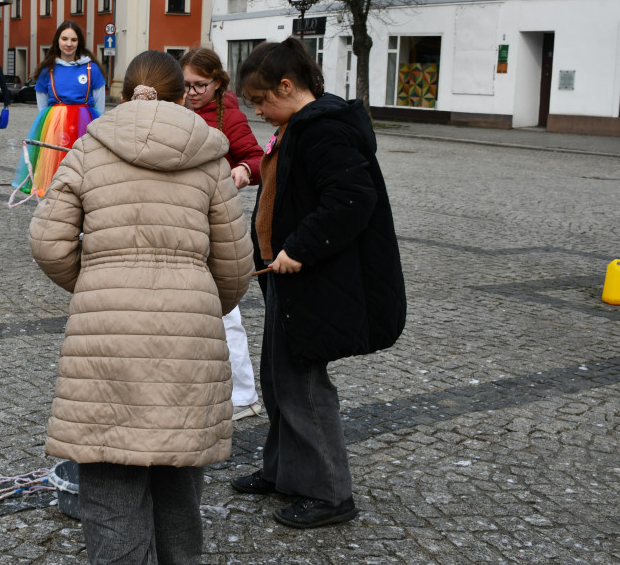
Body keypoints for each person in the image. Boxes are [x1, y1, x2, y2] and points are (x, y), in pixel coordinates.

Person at [30, 50, 253, 563]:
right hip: (188, 336)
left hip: (106, 333)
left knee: (109, 483)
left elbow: (47, 242)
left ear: (123, 92)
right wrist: (197, 299)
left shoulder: (90, 146)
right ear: (182, 96)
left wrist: (96, 280)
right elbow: (236, 265)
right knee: (179, 478)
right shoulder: (210, 155)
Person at [230, 38, 406, 529]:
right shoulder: (298, 127)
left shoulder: (323, 130)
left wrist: (299, 248)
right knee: (278, 379)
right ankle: (284, 471)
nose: (260, 111)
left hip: (315, 279)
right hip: (290, 279)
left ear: (287, 86)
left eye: (262, 100)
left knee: (304, 384)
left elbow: (351, 199)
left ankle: (330, 493)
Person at [181, 47, 264, 422]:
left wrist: (245, 169)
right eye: (186, 85)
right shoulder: (174, 107)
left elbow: (258, 157)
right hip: (181, 219)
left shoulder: (229, 115)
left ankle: (245, 395)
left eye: (201, 85)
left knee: (225, 311)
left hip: (216, 222)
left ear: (218, 82)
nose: (193, 91)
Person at [12, 20, 105, 197]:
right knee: (54, 166)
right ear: (57, 41)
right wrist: (52, 121)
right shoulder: (48, 70)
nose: (69, 44)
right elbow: (42, 104)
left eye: (73, 40)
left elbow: (99, 105)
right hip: (55, 125)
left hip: (84, 124)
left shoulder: (91, 69)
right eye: (64, 39)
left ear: (79, 43)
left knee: (82, 165)